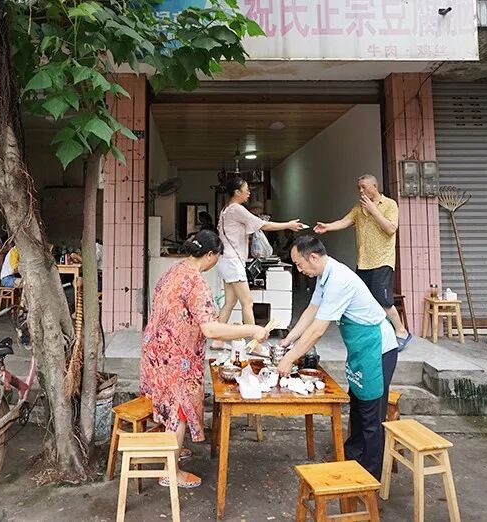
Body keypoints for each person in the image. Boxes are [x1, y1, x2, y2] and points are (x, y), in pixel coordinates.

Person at [140, 230, 271, 489]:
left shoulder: (175, 270)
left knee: (168, 401)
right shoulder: (196, 282)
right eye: (217, 256)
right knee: (179, 409)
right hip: (176, 354)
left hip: (156, 348)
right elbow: (210, 330)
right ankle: (170, 472)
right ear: (210, 255)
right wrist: (251, 330)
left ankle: (172, 448)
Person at [277, 236, 399, 478]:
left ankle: (369, 477)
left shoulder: (339, 279)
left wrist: (289, 358)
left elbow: (318, 330)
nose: (299, 270)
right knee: (357, 406)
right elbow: (311, 311)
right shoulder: (324, 276)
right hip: (361, 349)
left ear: (313, 257)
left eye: (299, 264)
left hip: (378, 348)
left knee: (371, 415)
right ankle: (352, 457)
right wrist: (289, 339)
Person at [315, 174, 412, 349]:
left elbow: (391, 229)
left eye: (364, 187)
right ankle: (375, 333)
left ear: (374, 186)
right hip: (363, 262)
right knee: (364, 299)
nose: (360, 191)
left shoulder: (390, 204)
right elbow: (345, 221)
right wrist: (327, 227)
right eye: (358, 187)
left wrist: (374, 210)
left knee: (383, 301)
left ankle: (401, 331)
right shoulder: (359, 208)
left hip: (382, 260)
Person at [214, 177, 306, 351]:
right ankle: (255, 344)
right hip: (233, 262)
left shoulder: (226, 209)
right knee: (248, 302)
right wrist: (288, 224)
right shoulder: (236, 208)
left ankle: (217, 340)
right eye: (246, 189)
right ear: (237, 192)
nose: (249, 193)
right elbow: (263, 225)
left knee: (229, 303)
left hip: (226, 260)